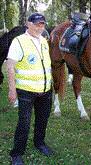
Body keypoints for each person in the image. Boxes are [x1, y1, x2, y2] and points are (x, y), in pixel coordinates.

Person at [6, 13, 53, 165]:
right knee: (24, 123)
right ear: (28, 24)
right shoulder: (18, 41)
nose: (41, 26)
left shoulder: (44, 41)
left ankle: (40, 143)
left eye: (43, 24)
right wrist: (12, 90)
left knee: (42, 119)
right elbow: (10, 66)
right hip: (26, 91)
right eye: (38, 23)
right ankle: (17, 153)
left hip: (45, 90)